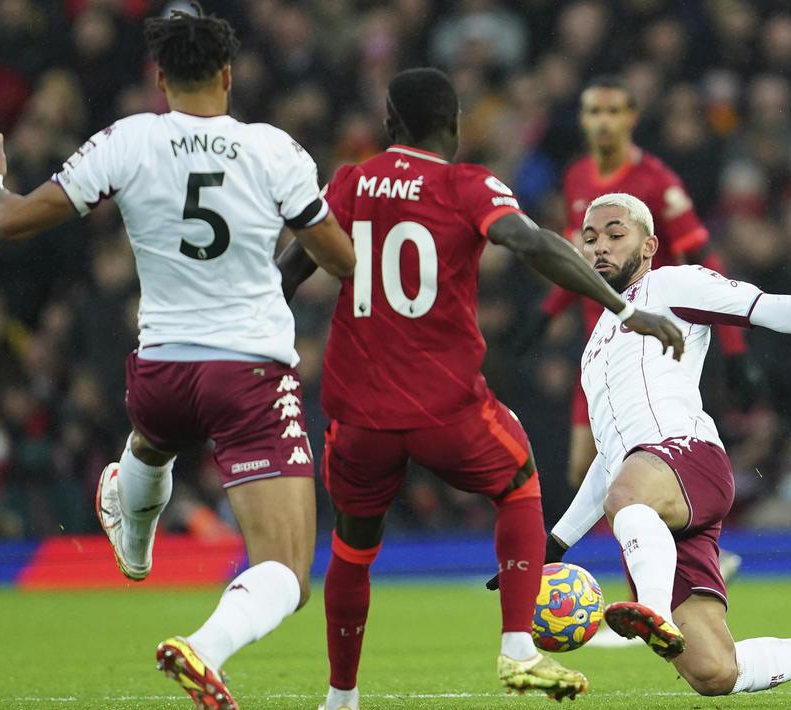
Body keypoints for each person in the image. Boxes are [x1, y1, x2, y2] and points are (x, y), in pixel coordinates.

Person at [0, 8, 355, 710]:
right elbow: (340, 261)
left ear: (160, 78)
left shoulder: (129, 140)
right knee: (287, 572)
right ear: (229, 75)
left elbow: (8, 220)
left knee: (155, 439)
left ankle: (132, 525)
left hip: (161, 372)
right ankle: (205, 646)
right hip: (249, 374)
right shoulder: (273, 150)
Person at [278, 68, 683, 710]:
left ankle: (341, 696)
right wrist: (623, 307)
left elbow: (291, 269)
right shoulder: (466, 185)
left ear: (389, 125)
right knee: (518, 482)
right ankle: (519, 648)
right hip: (445, 404)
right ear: (455, 125)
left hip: (357, 410)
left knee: (353, 550)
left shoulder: (350, 182)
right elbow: (528, 241)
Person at [544, 192, 791, 696]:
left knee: (626, 495)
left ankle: (649, 610)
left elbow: (769, 309)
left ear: (649, 245)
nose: (599, 246)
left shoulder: (671, 285)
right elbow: (610, 459)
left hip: (686, 459)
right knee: (714, 673)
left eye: (614, 234)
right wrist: (556, 542)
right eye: (589, 238)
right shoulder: (592, 351)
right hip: (648, 500)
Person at [522, 76, 760, 492]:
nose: (604, 122)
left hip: (649, 342)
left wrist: (735, 351)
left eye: (614, 112)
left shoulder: (657, 181)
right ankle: (655, 550)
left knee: (637, 469)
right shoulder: (577, 177)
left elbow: (706, 259)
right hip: (599, 344)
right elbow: (580, 264)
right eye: (595, 111)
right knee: (584, 471)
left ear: (631, 118)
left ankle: (684, 552)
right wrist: (546, 314)